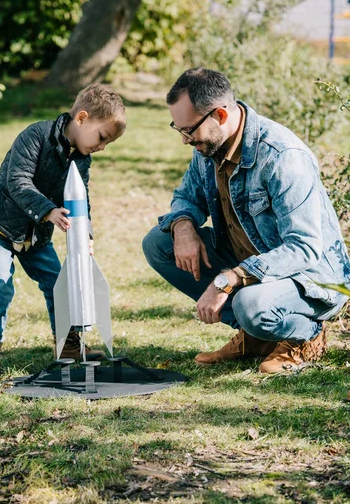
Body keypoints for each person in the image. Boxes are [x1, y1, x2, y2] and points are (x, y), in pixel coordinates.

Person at [143, 68, 350, 373]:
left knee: (249, 304)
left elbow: (304, 248)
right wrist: (182, 227)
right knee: (159, 243)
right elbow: (186, 197)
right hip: (253, 268)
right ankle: (257, 337)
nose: (185, 140)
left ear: (221, 116)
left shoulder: (281, 156)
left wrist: (230, 278)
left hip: (311, 279)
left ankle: (306, 335)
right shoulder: (207, 146)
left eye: (189, 130)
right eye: (179, 129)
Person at [0, 83, 126, 388]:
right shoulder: (35, 135)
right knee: (0, 286)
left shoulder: (82, 159)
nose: (102, 147)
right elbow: (17, 181)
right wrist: (48, 211)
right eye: (102, 138)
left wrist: (86, 233)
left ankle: (68, 345)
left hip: (35, 236)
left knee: (60, 283)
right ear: (82, 118)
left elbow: (80, 200)